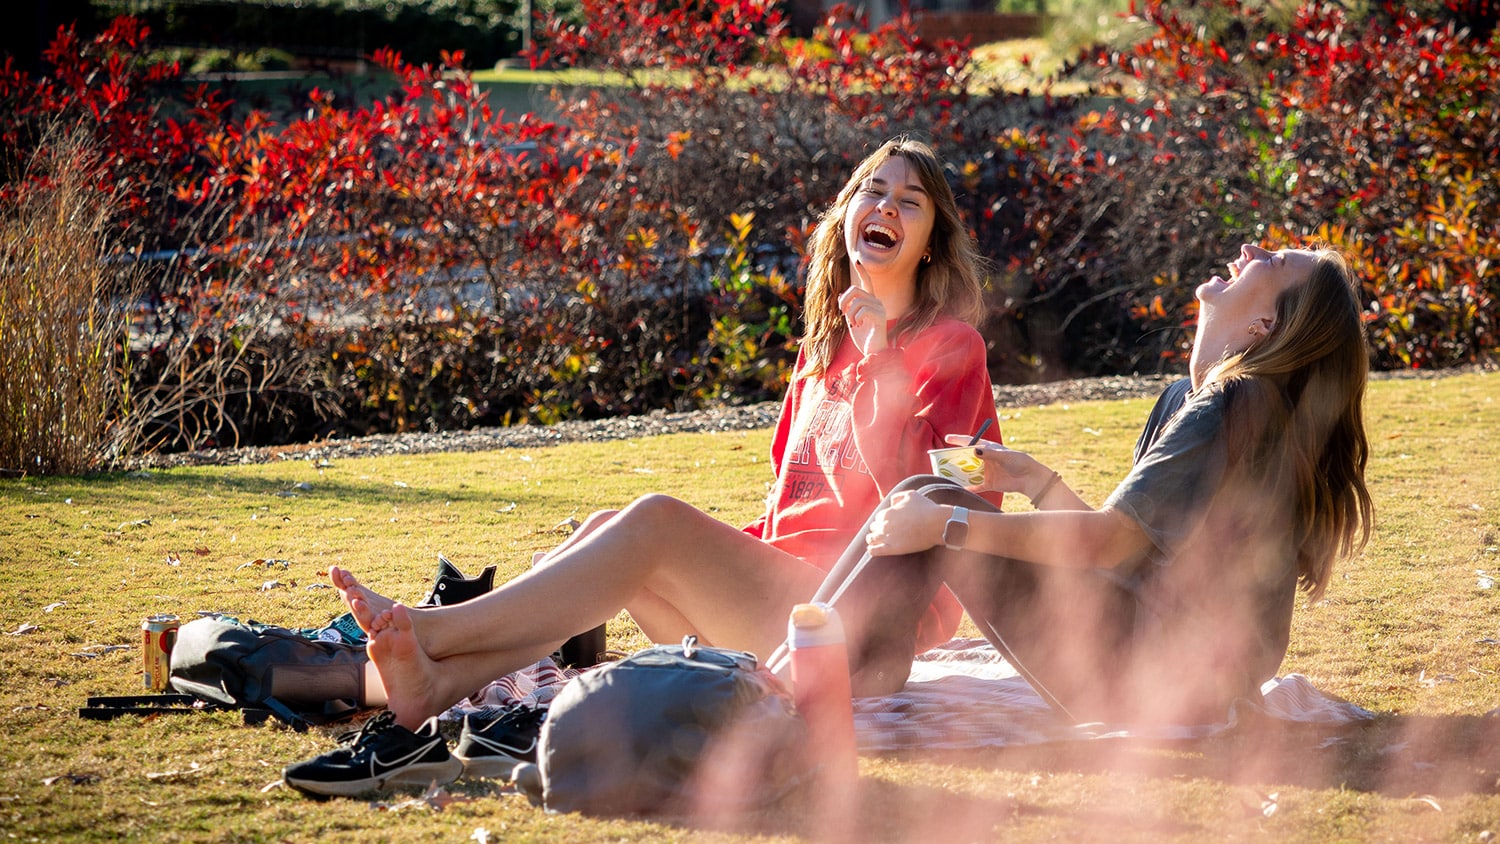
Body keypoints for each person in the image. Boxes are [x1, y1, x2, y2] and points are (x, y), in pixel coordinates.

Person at [331, 136, 1004, 729]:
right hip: (779, 611)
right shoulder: (821, 353)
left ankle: (430, 630)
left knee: (654, 522)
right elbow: (784, 513)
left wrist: (882, 357)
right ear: (847, 214)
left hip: (865, 632)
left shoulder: (954, 348)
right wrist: (707, 561)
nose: (885, 206)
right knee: (608, 529)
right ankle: (441, 681)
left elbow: (946, 510)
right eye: (872, 189)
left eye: (910, 201)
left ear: (930, 242)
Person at [790, 242, 1376, 725]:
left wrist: (951, 527)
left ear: (1264, 324)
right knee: (925, 494)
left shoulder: (1230, 404)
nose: (1249, 248)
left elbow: (1110, 543)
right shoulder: (1197, 399)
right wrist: (1035, 481)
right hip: (1174, 676)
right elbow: (1130, 555)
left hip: (1157, 684)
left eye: (1271, 262)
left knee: (931, 499)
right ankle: (830, 671)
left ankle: (804, 679)